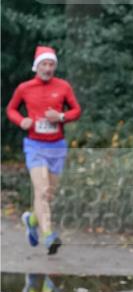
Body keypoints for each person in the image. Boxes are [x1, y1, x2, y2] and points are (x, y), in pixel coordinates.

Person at [6, 45, 81, 255]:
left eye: (51, 64)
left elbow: (76, 110)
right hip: (35, 145)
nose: (48, 68)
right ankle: (49, 236)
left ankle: (31, 220)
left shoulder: (63, 86)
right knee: (42, 190)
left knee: (49, 195)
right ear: (36, 66)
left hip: (57, 146)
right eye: (44, 64)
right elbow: (11, 109)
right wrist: (21, 121)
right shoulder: (25, 88)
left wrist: (62, 117)